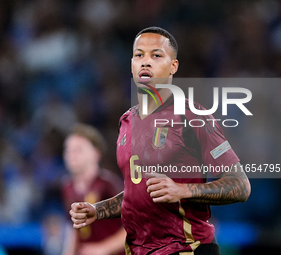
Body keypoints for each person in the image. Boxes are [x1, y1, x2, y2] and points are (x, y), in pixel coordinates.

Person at [70, 27, 251, 255]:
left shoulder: (192, 115)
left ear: (173, 66)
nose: (146, 62)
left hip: (187, 248)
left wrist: (183, 190)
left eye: (156, 55)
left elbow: (240, 185)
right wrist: (98, 210)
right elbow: (137, 192)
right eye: (139, 55)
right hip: (139, 250)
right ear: (132, 65)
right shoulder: (126, 121)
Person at [62, 124, 126, 255]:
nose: (71, 155)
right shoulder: (67, 188)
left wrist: (103, 248)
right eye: (68, 150)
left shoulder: (108, 184)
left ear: (96, 153)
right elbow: (73, 229)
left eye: (78, 150)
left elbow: (135, 226)